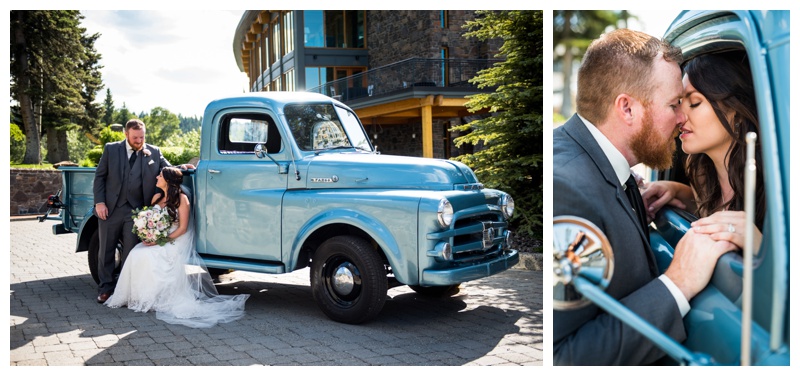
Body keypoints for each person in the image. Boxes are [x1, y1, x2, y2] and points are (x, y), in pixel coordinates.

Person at [553, 29, 736, 365]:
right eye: (674, 104)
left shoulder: (602, 168)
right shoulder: (566, 189)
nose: (682, 118)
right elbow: (563, 359)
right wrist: (678, 282)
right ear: (627, 109)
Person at [642, 51, 764, 251]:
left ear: (737, 112)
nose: (679, 118)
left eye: (695, 103)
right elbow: (707, 210)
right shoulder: (700, 171)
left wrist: (760, 247)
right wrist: (676, 190)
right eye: (678, 104)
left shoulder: (777, 181)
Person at [104, 167, 249, 328]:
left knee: (150, 255)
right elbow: (150, 219)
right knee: (136, 252)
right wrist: (148, 235)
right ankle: (138, 296)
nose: (157, 177)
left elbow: (183, 228)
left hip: (175, 239)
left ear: (167, 180)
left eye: (160, 175)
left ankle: (155, 298)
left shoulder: (182, 199)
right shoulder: (157, 197)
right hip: (159, 237)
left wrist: (160, 240)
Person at [93, 119, 193, 304]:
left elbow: (168, 168)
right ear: (126, 134)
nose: (139, 141)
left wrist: (183, 167)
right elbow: (100, 177)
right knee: (106, 249)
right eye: (135, 138)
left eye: (142, 137)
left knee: (131, 252)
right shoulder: (111, 149)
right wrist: (100, 202)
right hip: (111, 208)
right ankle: (105, 288)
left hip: (137, 212)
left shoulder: (153, 151)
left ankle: (126, 290)